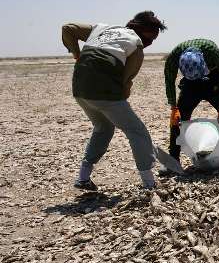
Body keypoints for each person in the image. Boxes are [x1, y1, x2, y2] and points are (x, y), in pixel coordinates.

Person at [61, 11, 167, 191]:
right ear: (143, 31)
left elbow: (68, 29)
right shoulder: (136, 44)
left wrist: (77, 55)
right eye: (152, 38)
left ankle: (83, 178)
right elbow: (126, 83)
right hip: (104, 92)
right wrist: (121, 99)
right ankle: (149, 183)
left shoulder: (102, 28)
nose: (151, 43)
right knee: (137, 131)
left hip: (79, 89)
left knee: (103, 128)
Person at [163, 39, 219, 173]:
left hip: (213, 80)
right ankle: (173, 162)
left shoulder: (212, 52)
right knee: (177, 120)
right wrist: (174, 107)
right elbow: (169, 80)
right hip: (190, 85)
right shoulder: (173, 58)